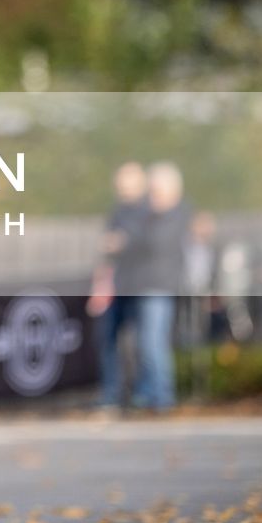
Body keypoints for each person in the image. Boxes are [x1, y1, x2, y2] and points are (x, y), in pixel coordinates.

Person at [120, 162, 190, 413]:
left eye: (155, 190)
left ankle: (162, 397)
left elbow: (153, 243)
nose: (151, 196)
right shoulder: (150, 216)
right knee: (143, 344)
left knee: (153, 344)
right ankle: (149, 394)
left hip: (160, 287)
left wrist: (131, 238)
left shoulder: (176, 214)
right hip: (142, 285)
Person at [88, 161, 147, 413]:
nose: (121, 189)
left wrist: (124, 242)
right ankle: (111, 394)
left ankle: (142, 394)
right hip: (117, 285)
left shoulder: (148, 211)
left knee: (143, 342)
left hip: (142, 285)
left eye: (126, 183)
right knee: (107, 340)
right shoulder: (118, 211)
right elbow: (107, 251)